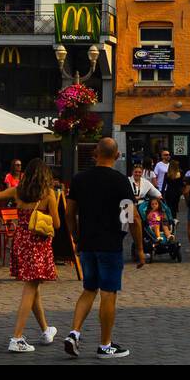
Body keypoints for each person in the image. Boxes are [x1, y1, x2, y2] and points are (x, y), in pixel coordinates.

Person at [65, 137, 144, 359]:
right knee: (108, 293)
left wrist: (76, 237)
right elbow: (132, 218)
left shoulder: (79, 179)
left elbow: (69, 213)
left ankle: (74, 333)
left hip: (87, 243)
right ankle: (105, 344)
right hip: (110, 244)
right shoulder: (121, 182)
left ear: (94, 154)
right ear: (117, 156)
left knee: (89, 289)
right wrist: (139, 248)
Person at [0, 157, 61, 353]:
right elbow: (57, 224)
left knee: (32, 285)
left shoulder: (18, 191)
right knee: (30, 287)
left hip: (21, 241)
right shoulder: (48, 194)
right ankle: (17, 337)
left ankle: (45, 330)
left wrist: (4, 200)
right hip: (38, 243)